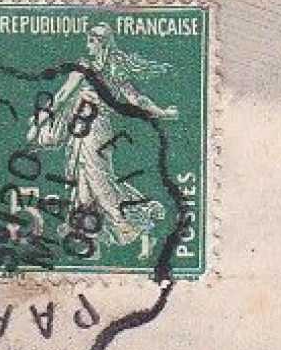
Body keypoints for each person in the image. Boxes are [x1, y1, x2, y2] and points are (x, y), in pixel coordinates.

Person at [25, 22, 173, 260]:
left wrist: (161, 111)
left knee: (101, 185)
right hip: (79, 131)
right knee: (81, 183)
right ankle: (90, 243)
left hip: (98, 132)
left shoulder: (113, 70)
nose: (88, 44)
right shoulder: (82, 67)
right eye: (88, 39)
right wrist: (41, 120)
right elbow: (62, 96)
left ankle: (139, 225)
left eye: (93, 40)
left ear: (103, 43)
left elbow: (135, 98)